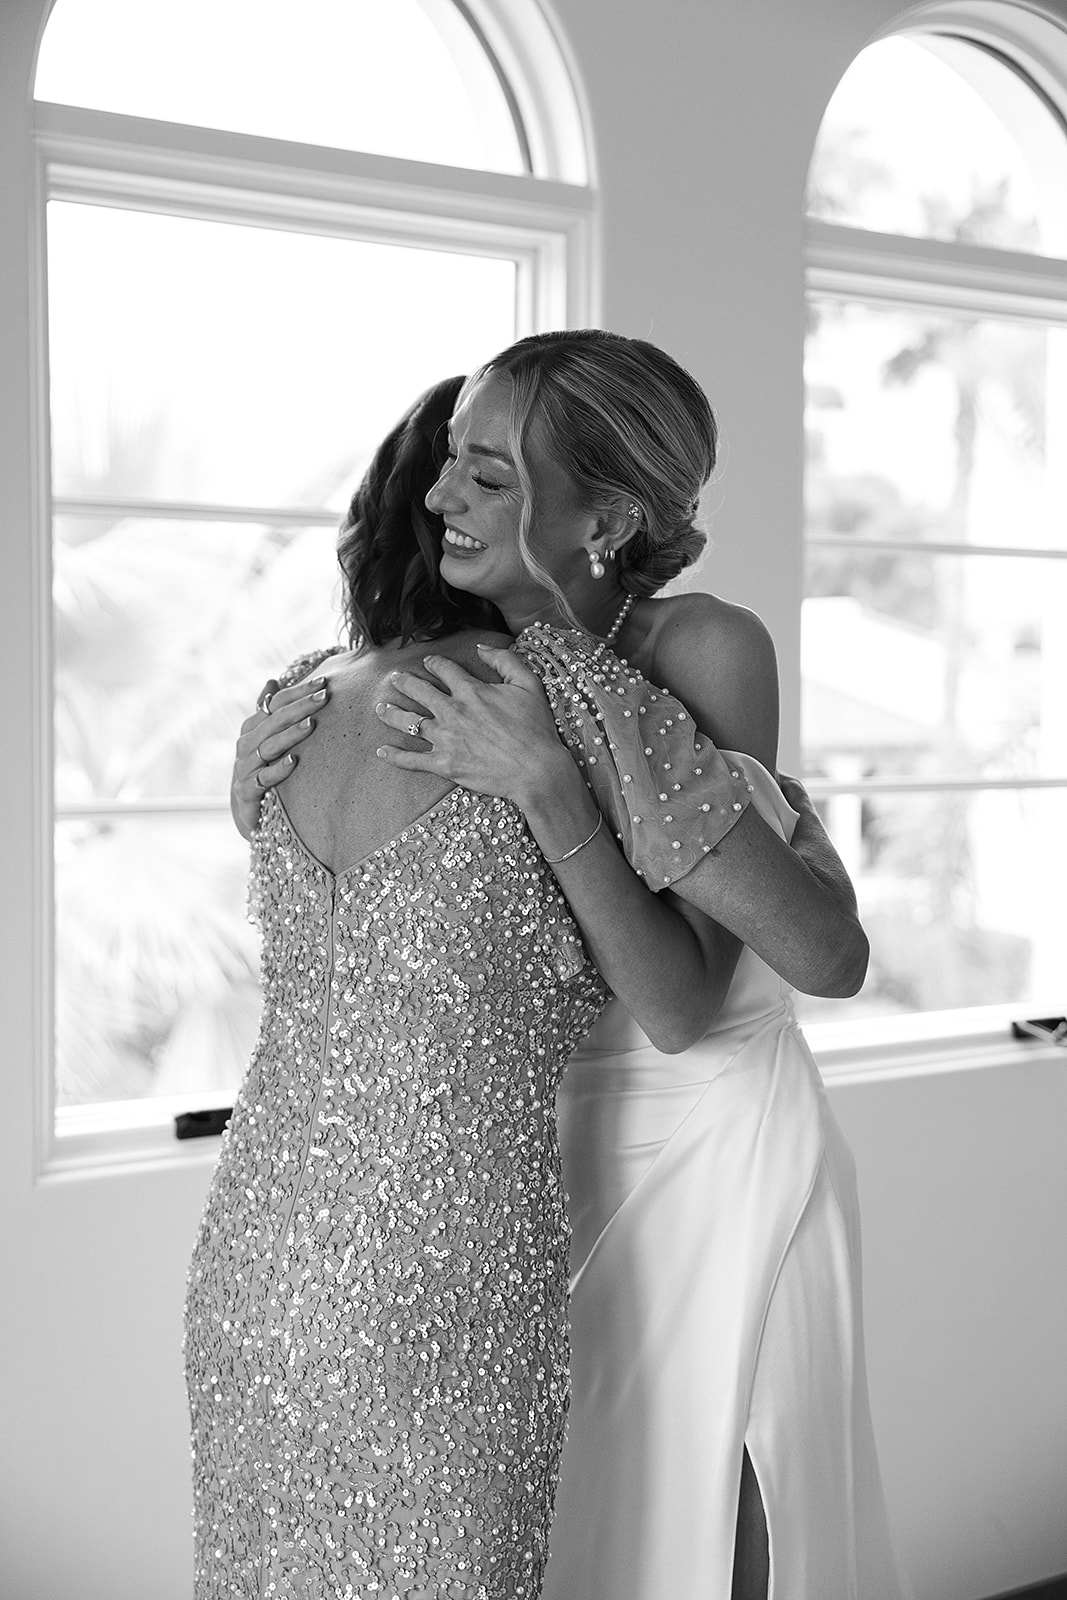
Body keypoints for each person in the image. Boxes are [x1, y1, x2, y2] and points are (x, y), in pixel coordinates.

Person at [219, 341, 900, 1599]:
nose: (440, 501)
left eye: (487, 474)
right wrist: (257, 797)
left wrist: (543, 784)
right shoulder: (456, 669)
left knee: (719, 1512)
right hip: (527, 1137)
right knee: (573, 1533)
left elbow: (716, 976)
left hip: (701, 1132)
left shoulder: (697, 651)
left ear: (609, 517)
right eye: (445, 467)